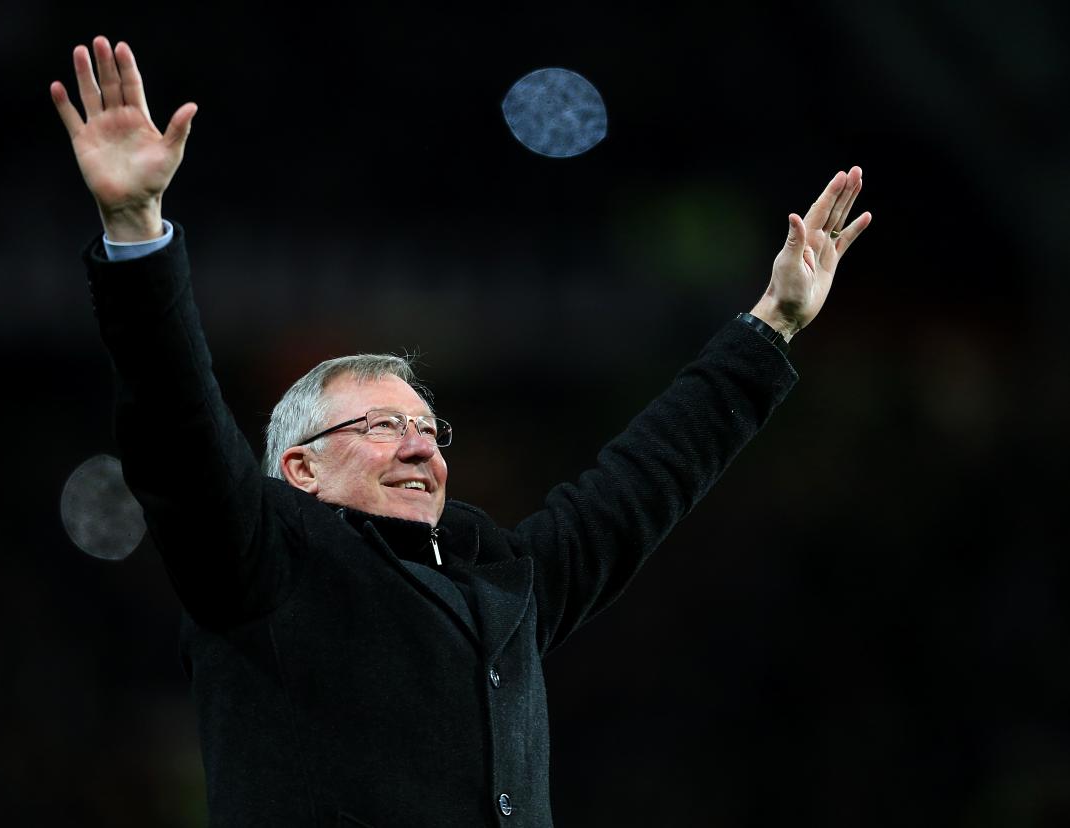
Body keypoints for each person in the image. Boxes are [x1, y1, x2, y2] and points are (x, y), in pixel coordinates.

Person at [51, 36, 871, 827]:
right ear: (299, 468)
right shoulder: (262, 565)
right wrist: (136, 232)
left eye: (427, 428)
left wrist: (771, 327)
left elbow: (641, 484)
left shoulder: (503, 579)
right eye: (382, 426)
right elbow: (179, 431)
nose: (421, 447)